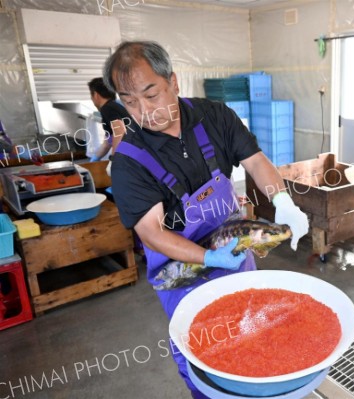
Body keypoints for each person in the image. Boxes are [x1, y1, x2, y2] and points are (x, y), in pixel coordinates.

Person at [103, 41, 309, 398]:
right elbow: (151, 233)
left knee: (250, 333)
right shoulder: (129, 161)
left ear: (174, 81)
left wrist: (283, 201)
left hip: (234, 251)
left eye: (151, 95)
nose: (143, 111)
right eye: (130, 101)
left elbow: (256, 162)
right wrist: (208, 258)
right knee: (207, 356)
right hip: (181, 274)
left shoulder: (215, 116)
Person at [87, 77, 133, 162]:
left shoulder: (107, 108)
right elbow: (108, 143)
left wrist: (115, 158)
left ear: (96, 95)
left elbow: (119, 132)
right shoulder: (114, 107)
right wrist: (95, 158)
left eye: (91, 95)